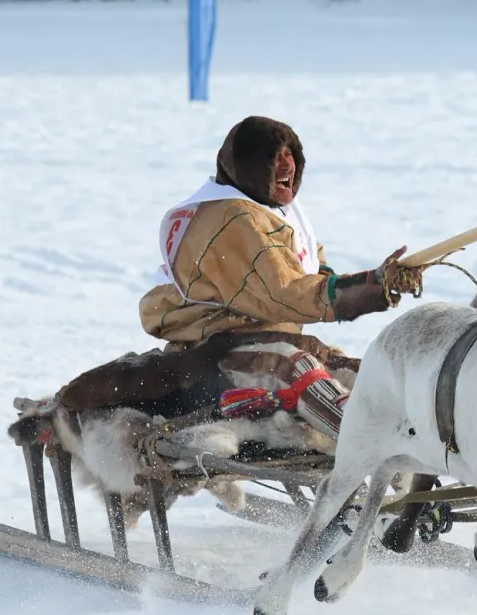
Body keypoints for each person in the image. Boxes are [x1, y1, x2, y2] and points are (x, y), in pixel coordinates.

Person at [132, 115, 410, 437]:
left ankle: (413, 435)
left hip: (268, 337)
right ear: (247, 166)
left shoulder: (273, 211)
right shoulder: (231, 217)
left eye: (291, 154)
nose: (287, 165)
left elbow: (312, 272)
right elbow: (285, 291)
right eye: (274, 158)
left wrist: (378, 280)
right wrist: (369, 288)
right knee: (302, 370)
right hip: (219, 348)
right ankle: (370, 441)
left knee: (358, 371)